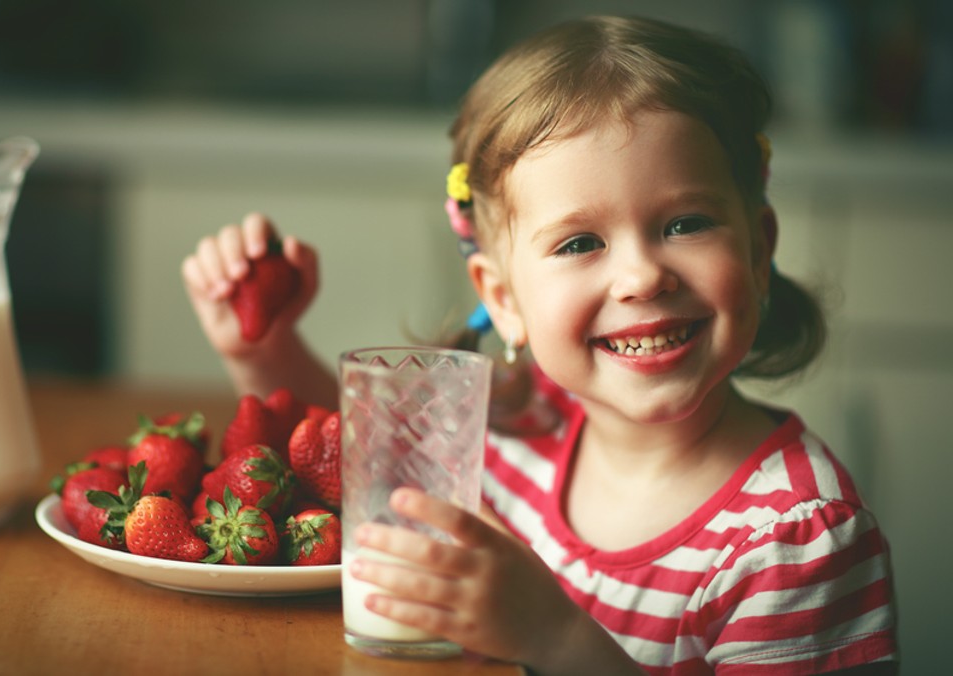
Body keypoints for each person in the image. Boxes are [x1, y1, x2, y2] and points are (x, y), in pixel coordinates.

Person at [181, 15, 898, 675]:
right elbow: (364, 468)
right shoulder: (523, 422)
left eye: (685, 224)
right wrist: (261, 346)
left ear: (758, 248)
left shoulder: (797, 544)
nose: (643, 275)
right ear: (503, 299)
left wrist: (556, 639)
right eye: (581, 242)